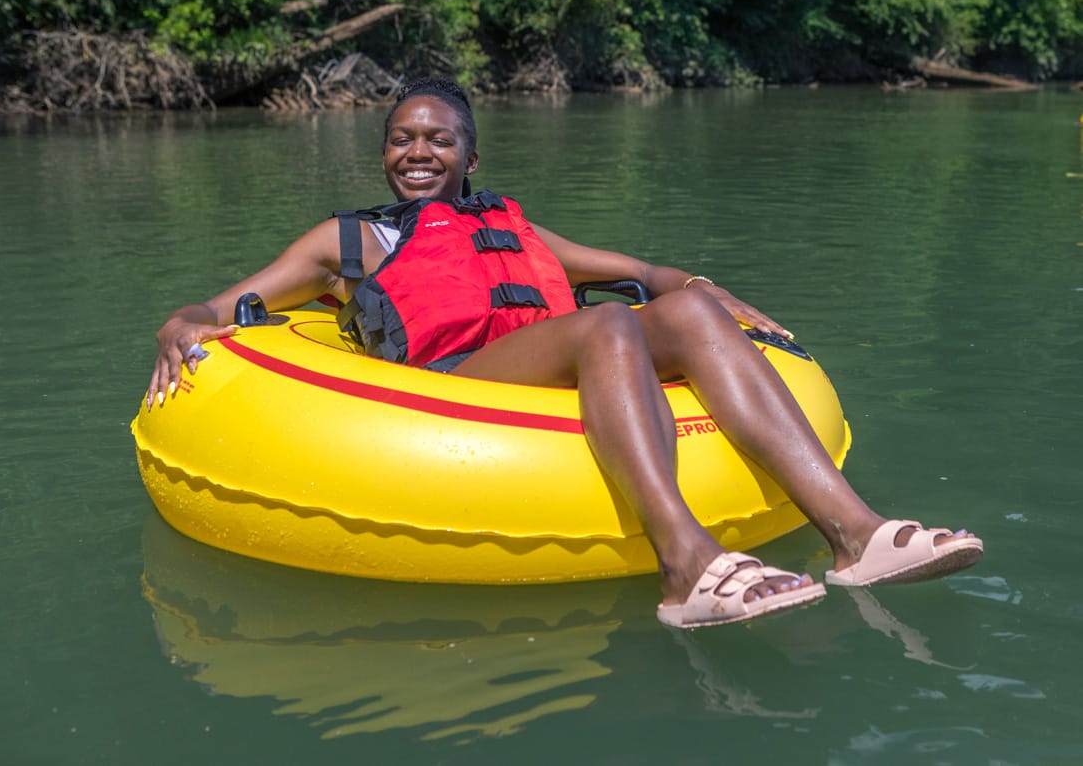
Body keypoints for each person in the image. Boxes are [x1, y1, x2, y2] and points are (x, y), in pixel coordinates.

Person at [147, 77, 983, 629]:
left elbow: (628, 269)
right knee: (610, 327)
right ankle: (688, 566)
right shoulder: (347, 238)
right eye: (403, 138)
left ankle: (858, 535)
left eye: (440, 141)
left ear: (471, 158)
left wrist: (690, 281)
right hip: (456, 386)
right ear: (384, 152)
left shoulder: (505, 221)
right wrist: (180, 322)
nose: (418, 153)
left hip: (553, 362)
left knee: (681, 312)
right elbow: (223, 302)